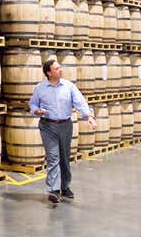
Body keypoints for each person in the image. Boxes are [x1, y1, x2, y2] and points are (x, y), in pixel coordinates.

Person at [29, 59, 97, 204]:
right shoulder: (40, 88)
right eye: (57, 68)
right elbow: (33, 104)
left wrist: (88, 116)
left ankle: (65, 186)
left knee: (65, 157)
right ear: (49, 72)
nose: (61, 70)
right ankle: (53, 190)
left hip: (65, 125)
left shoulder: (69, 86)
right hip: (48, 126)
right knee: (53, 157)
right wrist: (37, 110)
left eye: (60, 67)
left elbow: (80, 102)